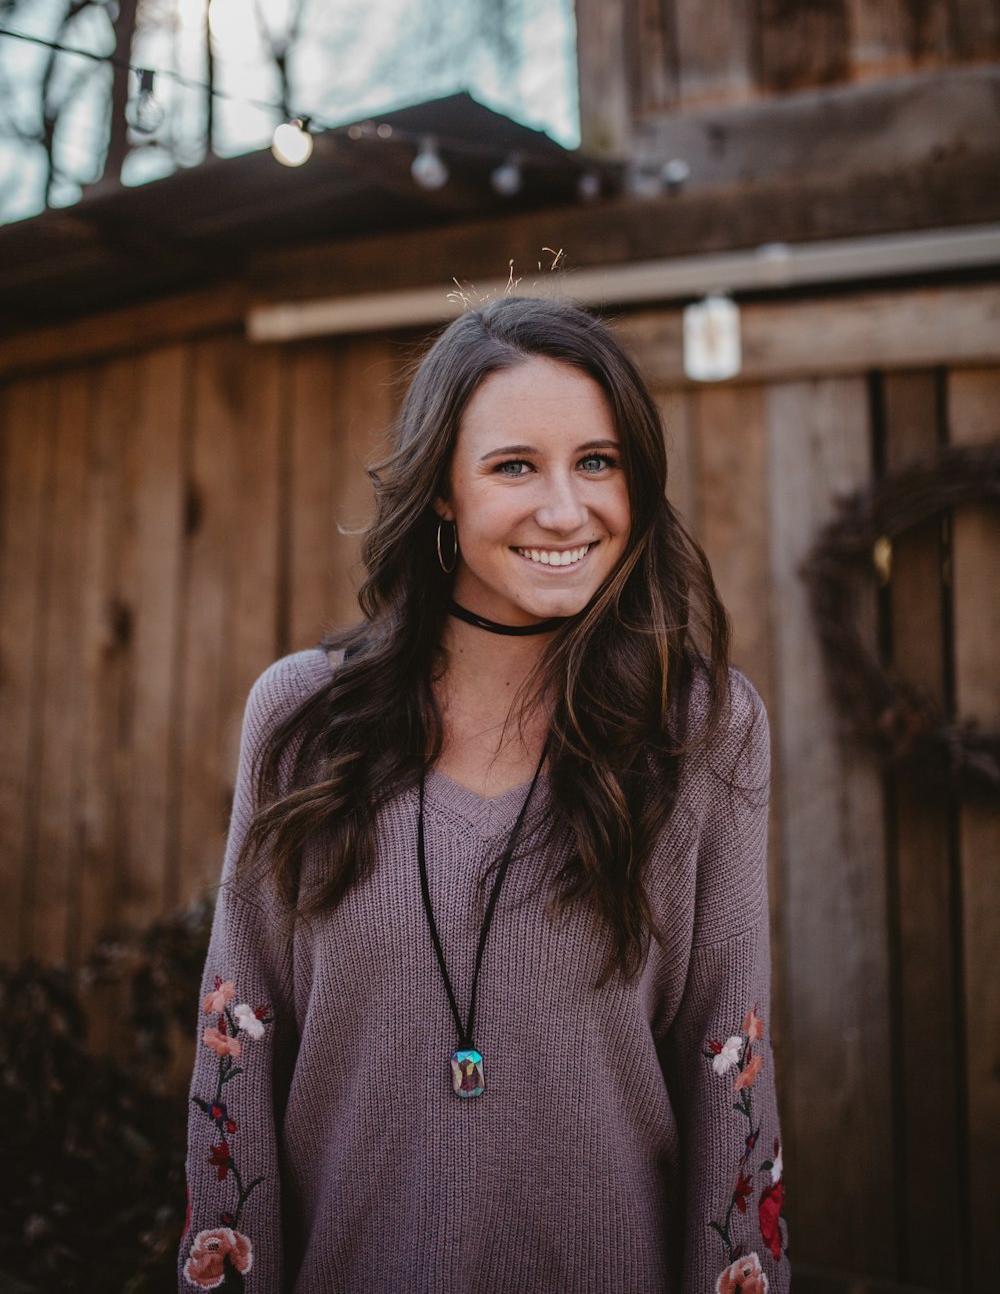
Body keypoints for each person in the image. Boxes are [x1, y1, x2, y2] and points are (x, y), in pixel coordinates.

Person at [179, 296, 789, 1294]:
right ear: (443, 494)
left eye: (598, 462)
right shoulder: (301, 721)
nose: (564, 508)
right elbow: (235, 1053)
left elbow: (731, 1069)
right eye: (515, 466)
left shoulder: (704, 733)